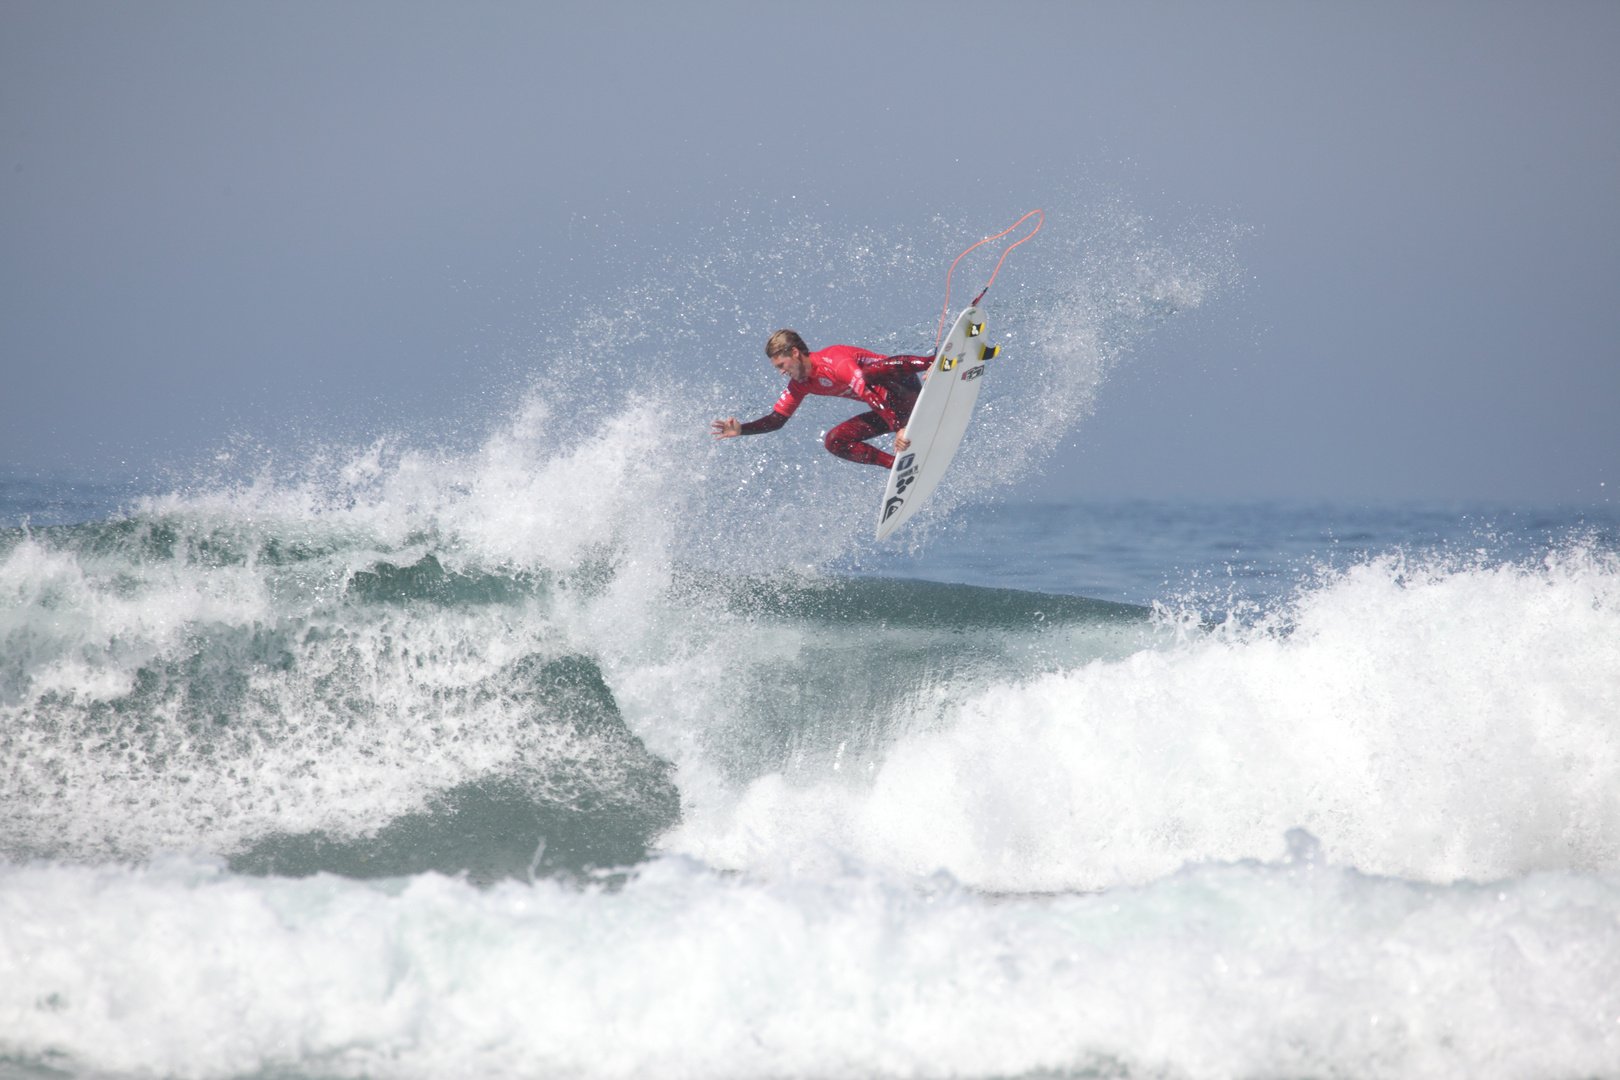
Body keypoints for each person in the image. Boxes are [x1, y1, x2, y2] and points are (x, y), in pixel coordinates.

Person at [710, 329, 935, 469]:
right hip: (895, 412)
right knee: (834, 441)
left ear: (795, 353)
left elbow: (866, 390)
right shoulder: (800, 385)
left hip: (904, 387)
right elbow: (777, 420)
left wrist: (898, 429)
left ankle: (932, 362)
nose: (780, 372)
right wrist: (742, 430)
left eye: (781, 365)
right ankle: (898, 466)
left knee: (866, 375)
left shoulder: (833, 360)